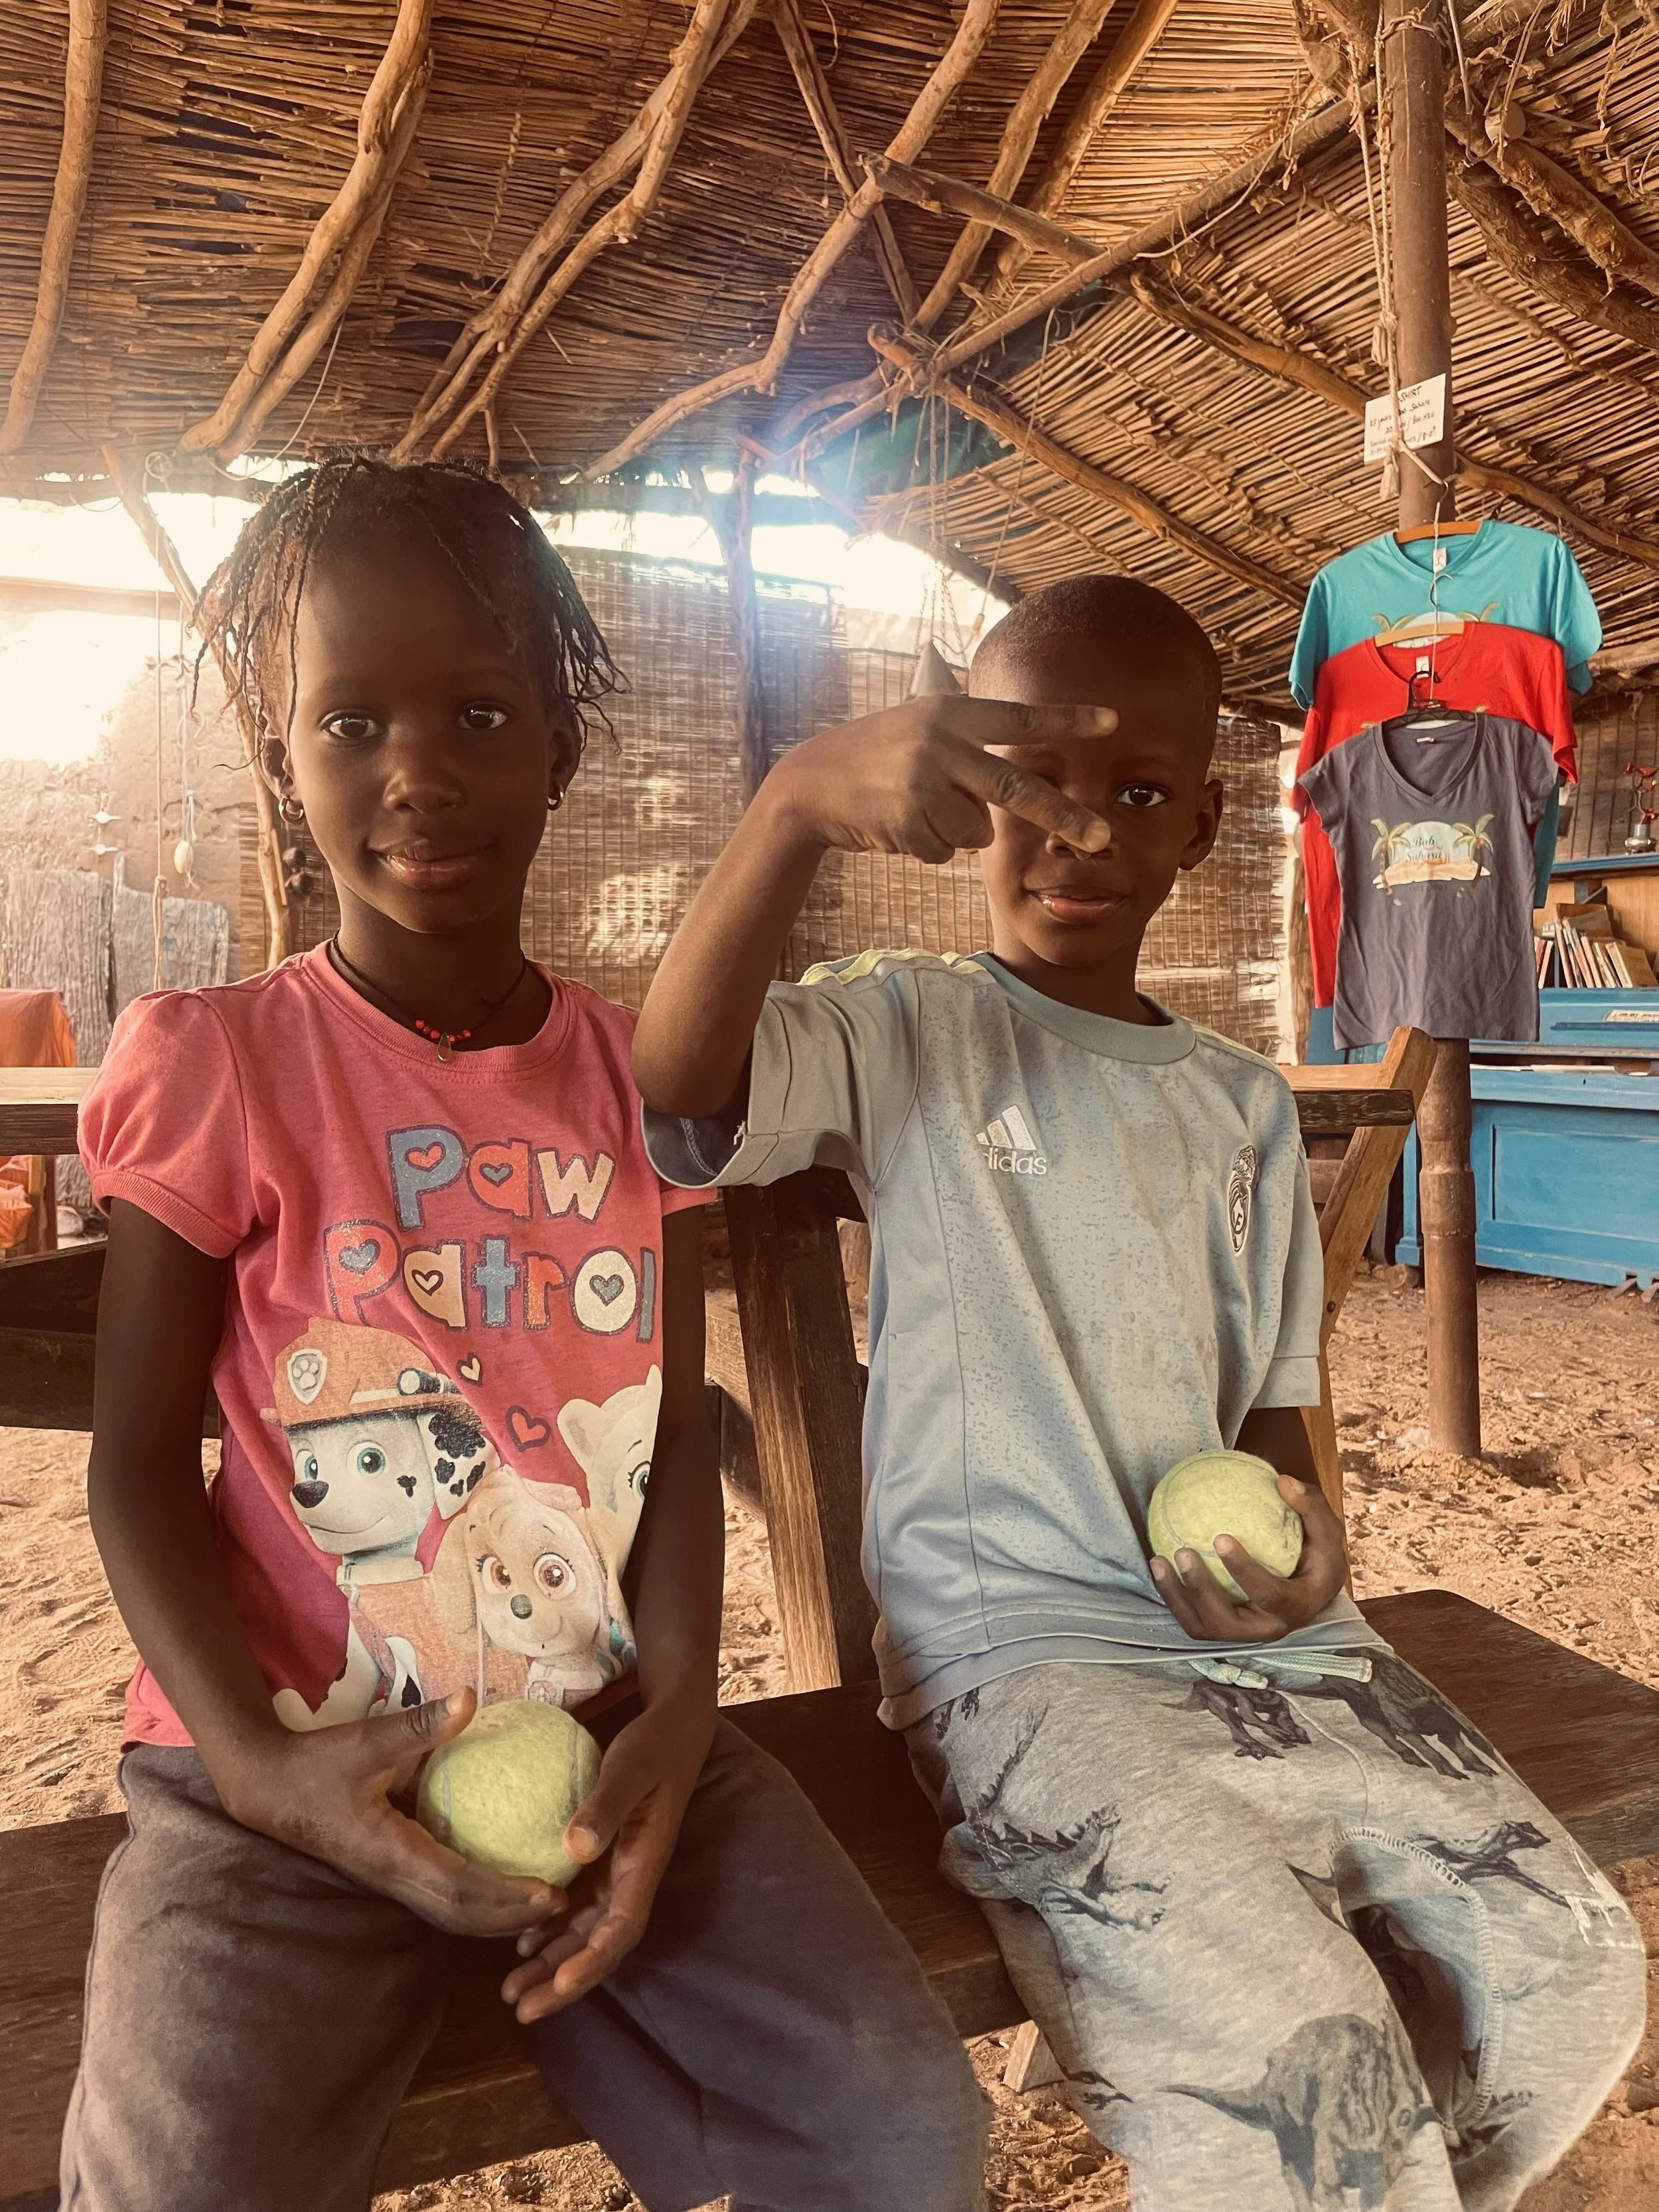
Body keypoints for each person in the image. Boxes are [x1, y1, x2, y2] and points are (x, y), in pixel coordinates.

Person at [632, 573, 1646, 2212]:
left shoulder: (1236, 1105)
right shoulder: (905, 1030)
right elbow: (673, 1088)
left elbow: (1269, 1420)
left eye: (1133, 795)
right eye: (1029, 788)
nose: (1079, 834)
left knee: (1575, 1978)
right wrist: (795, 806)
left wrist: (1305, 1543)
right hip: (1023, 1662)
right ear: (965, 804)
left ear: (1197, 825)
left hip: (1278, 1652)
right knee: (1304, 2055)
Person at [65, 456, 988, 2212]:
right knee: (177, 2183)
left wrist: (675, 1721)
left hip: (607, 1739)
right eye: (351, 720)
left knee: (904, 2124)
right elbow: (134, 1464)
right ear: (285, 758)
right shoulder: (224, 1064)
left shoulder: (640, 1087)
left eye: (480, 711)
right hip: (277, 1775)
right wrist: (264, 1773)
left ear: (560, 745)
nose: (416, 767)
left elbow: (668, 1436)